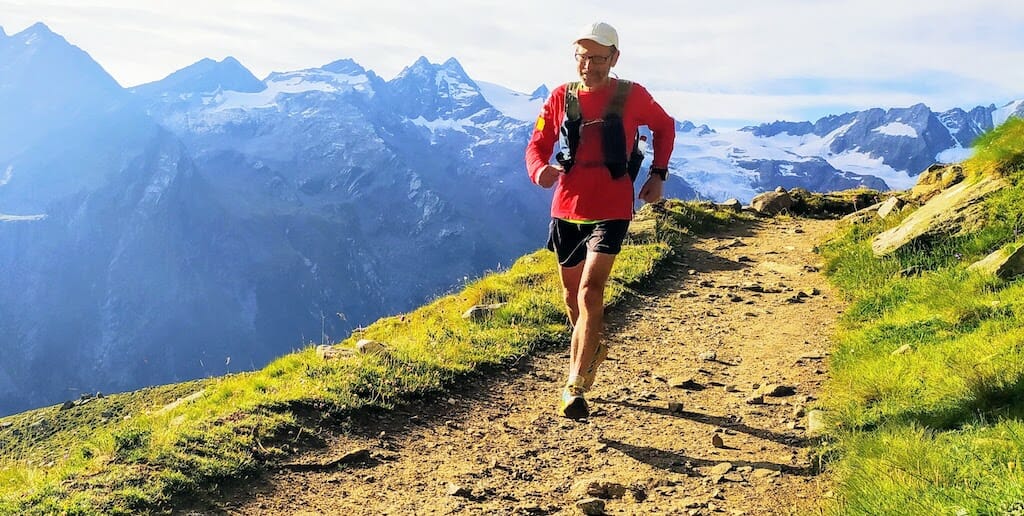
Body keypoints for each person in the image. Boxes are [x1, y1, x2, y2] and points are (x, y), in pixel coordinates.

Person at [525, 21, 676, 419]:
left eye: (597, 57)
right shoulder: (561, 97)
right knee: (571, 297)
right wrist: (539, 169)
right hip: (567, 206)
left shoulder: (632, 95)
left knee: (591, 291)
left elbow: (664, 126)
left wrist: (657, 175)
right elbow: (538, 144)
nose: (588, 65)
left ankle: (574, 385)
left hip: (612, 207)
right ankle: (593, 347)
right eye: (582, 56)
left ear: (614, 58)